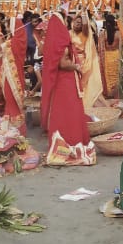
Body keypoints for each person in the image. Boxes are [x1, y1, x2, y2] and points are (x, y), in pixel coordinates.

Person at [39, 11, 92, 148]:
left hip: (61, 81)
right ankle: (71, 141)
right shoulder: (60, 40)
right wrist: (76, 67)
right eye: (65, 21)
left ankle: (64, 141)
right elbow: (62, 64)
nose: (68, 23)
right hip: (66, 81)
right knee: (70, 111)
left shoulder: (52, 39)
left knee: (62, 112)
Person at [71, 12, 109, 108]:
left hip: (84, 64)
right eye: (76, 22)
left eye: (80, 23)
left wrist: (83, 13)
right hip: (72, 63)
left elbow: (84, 24)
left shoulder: (84, 33)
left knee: (87, 87)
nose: (77, 24)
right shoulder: (69, 33)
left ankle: (87, 106)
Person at [100, 13, 121, 99]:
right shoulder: (118, 33)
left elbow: (100, 47)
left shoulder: (103, 33)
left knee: (108, 75)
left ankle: (109, 93)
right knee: (116, 75)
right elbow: (121, 46)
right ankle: (115, 93)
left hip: (107, 56)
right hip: (116, 55)